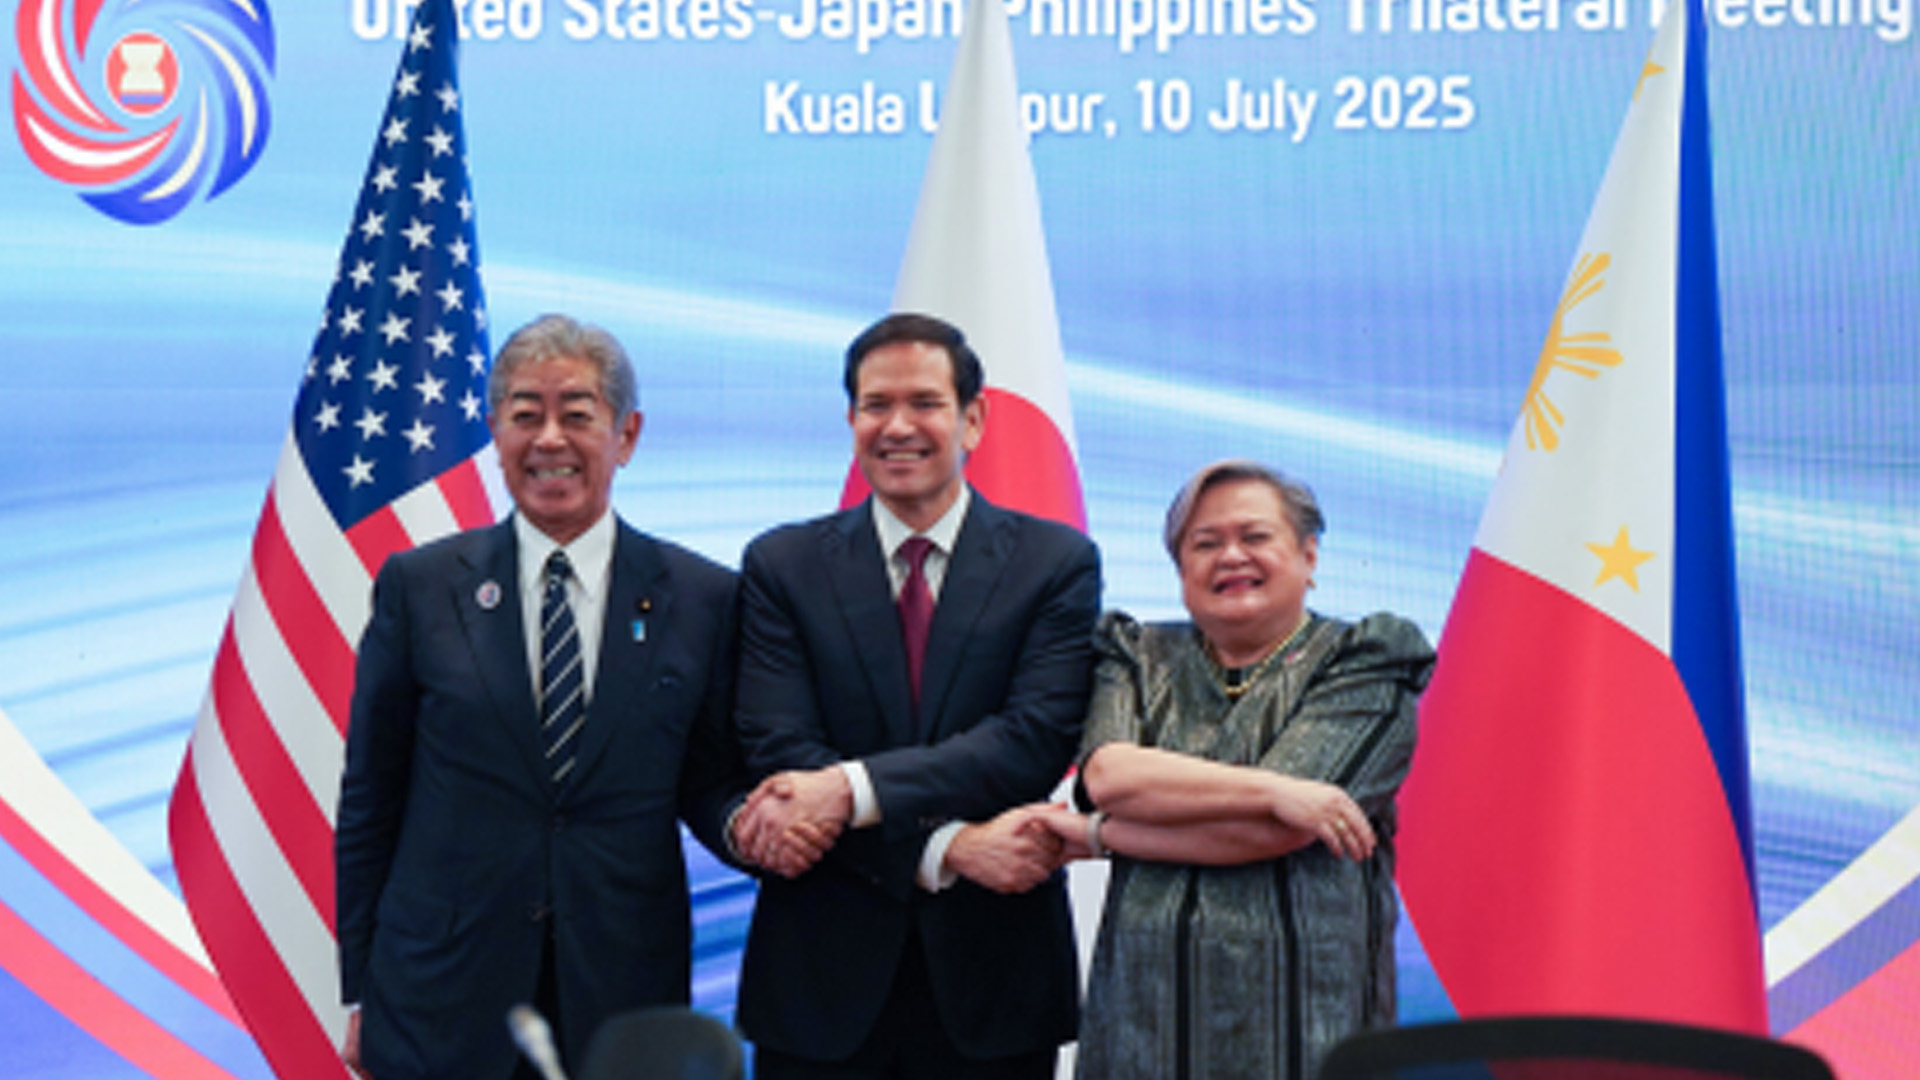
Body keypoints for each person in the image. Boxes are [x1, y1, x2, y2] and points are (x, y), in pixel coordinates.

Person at [335, 314, 756, 1080]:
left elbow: (707, 778)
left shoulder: (705, 598)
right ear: (495, 432)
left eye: (578, 415)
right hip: (440, 994)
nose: (550, 439)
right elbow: (372, 795)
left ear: (626, 436)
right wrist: (362, 989)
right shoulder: (420, 587)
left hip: (621, 992)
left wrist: (761, 825)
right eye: (526, 415)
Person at [727, 312, 1101, 1079]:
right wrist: (947, 849)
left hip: (995, 984)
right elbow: (779, 750)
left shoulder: (1055, 563)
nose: (898, 426)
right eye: (876, 405)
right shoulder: (781, 565)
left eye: (925, 403)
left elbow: (1030, 741)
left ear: (973, 419)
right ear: (851, 421)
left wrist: (849, 788)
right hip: (819, 984)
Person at [1033, 459, 1435, 1080]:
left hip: (1303, 1022)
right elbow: (1110, 777)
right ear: (1180, 569)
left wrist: (1101, 835)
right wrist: (1276, 788)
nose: (1231, 556)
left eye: (1255, 536)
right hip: (1144, 1020)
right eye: (1205, 543)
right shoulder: (1137, 654)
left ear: (1308, 555)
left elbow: (1270, 833)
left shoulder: (1367, 661)